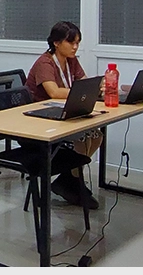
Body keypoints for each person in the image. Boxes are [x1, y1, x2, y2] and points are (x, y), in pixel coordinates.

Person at [25, 21, 102, 209]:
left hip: (61, 113)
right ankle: (71, 182)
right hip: (39, 118)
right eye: (71, 43)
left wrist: (97, 88)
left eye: (78, 43)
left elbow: (84, 83)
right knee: (82, 138)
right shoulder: (45, 62)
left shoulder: (71, 61)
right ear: (57, 43)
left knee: (96, 135)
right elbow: (53, 92)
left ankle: (69, 179)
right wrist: (81, 92)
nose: (75, 47)